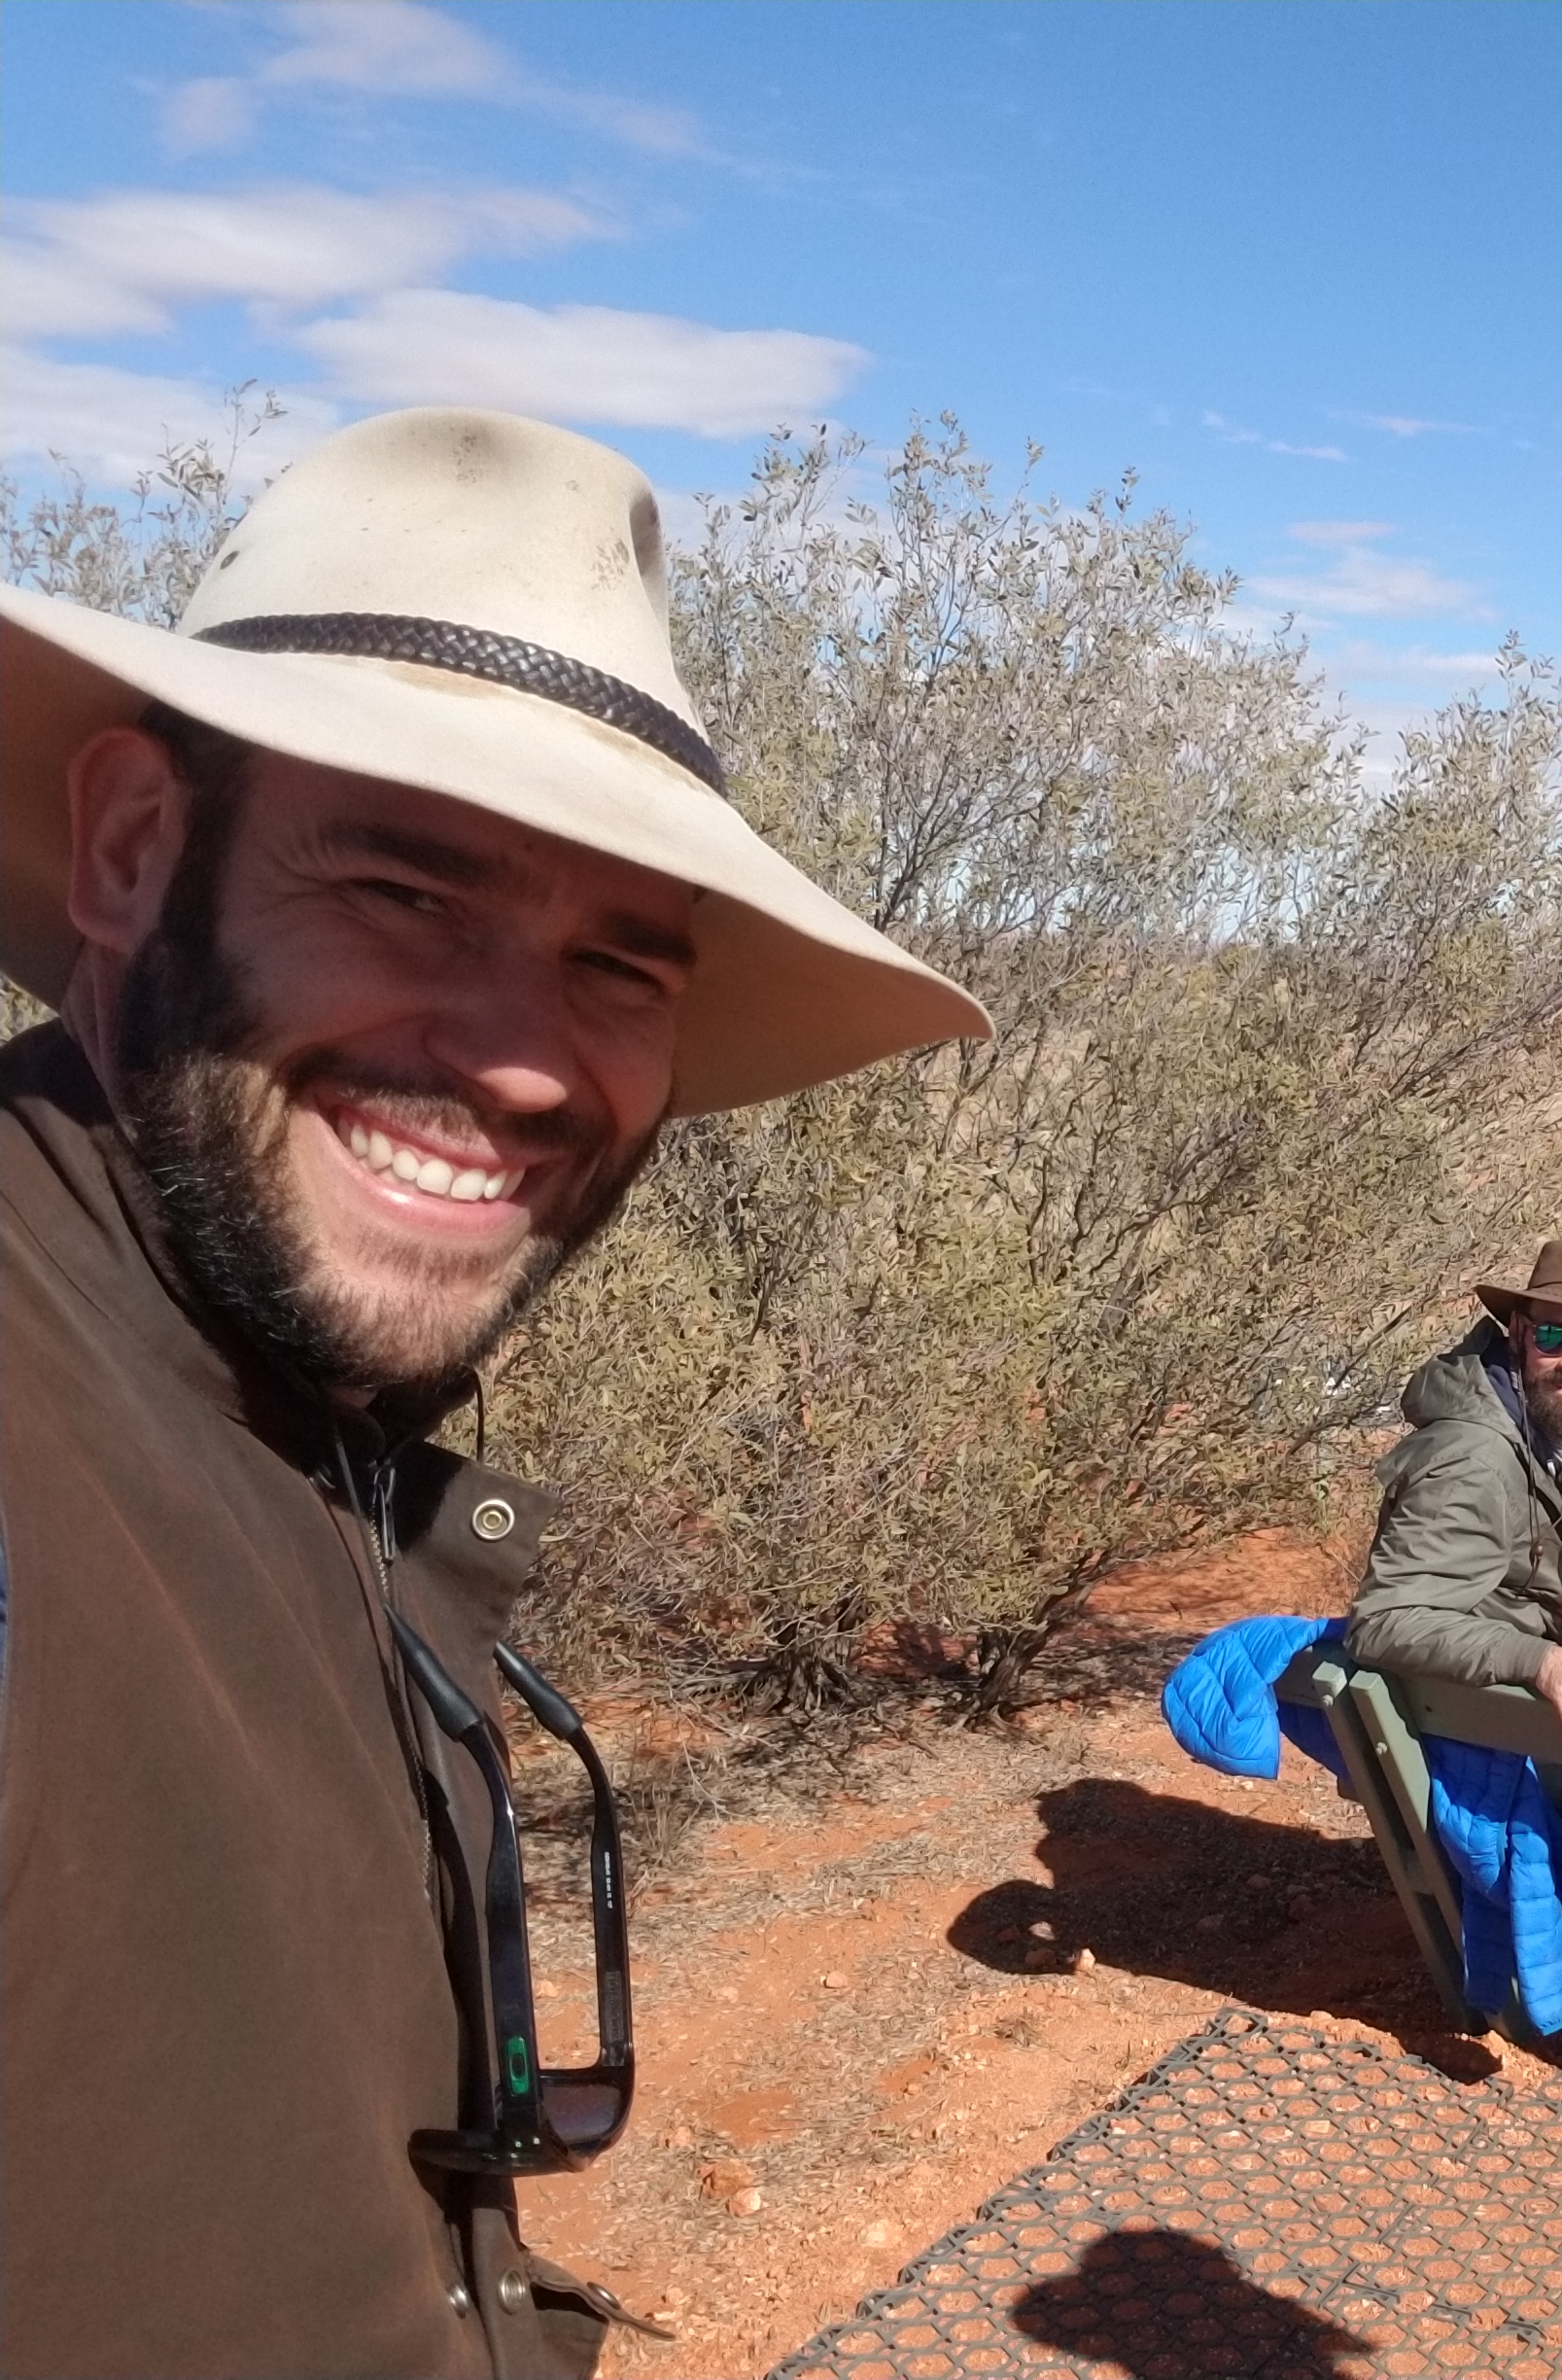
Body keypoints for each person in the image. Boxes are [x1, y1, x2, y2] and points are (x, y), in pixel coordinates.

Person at [0, 410, 988, 2377]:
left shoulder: (288, 1429)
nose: (529, 1064)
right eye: (405, 891)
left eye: (621, 967)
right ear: (132, 852)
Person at [1345, 1235, 1562, 1752]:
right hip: (1474, 1731)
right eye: (1552, 1336)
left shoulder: (1554, 1442)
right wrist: (1542, 1661)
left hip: (1497, 1700)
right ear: (1518, 1332)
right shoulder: (1473, 1457)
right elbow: (1385, 1623)